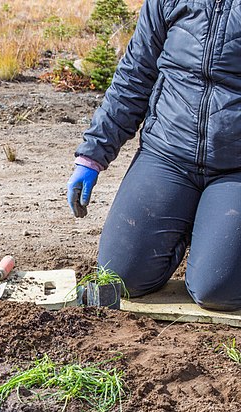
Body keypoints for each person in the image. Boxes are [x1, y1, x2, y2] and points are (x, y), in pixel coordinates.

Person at [66, 0, 241, 310]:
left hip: (235, 169)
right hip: (168, 155)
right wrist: (92, 157)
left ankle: (211, 233)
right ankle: (191, 220)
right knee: (120, 278)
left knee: (216, 289)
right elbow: (135, 74)